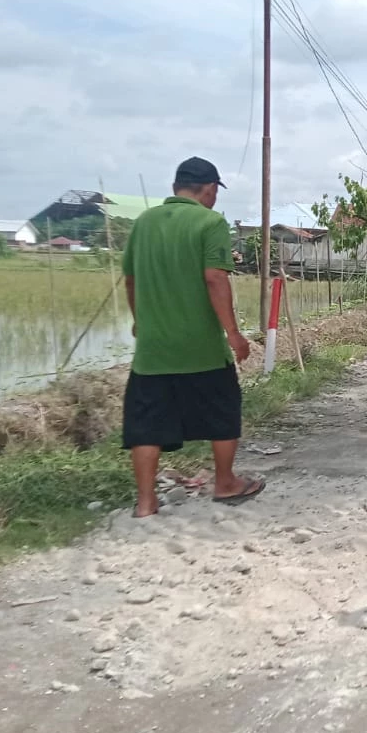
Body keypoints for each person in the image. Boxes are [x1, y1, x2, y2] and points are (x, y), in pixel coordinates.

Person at [122, 156, 262, 518]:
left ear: (175, 188)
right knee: (222, 412)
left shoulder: (143, 223)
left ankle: (146, 502)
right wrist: (234, 334)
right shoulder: (210, 222)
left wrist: (140, 322)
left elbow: (132, 281)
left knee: (146, 425)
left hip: (152, 351)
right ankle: (226, 482)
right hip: (202, 347)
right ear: (211, 190)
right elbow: (215, 278)